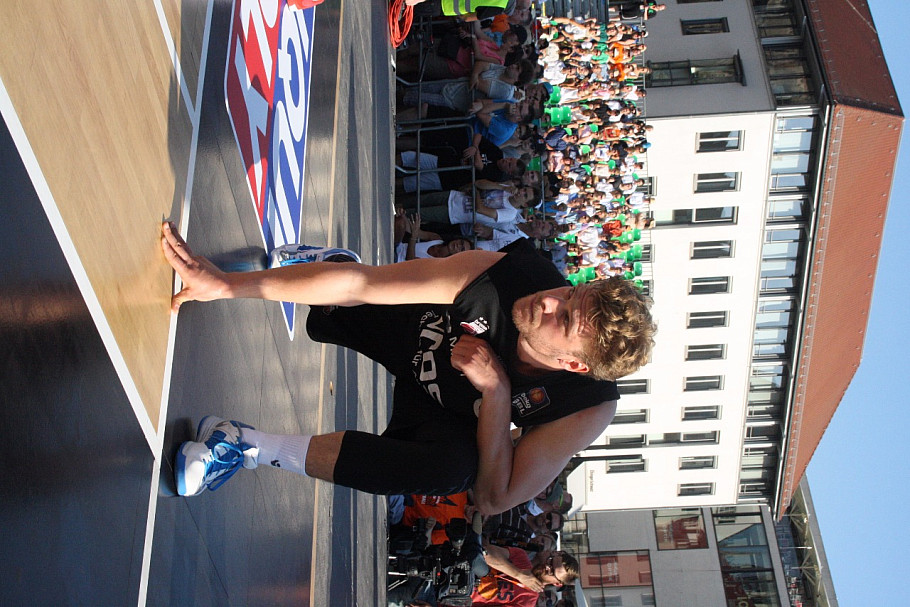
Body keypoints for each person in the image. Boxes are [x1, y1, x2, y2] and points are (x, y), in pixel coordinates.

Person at [160, 221, 654, 514]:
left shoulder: (585, 409)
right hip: (418, 330)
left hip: (455, 410)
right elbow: (360, 286)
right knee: (345, 293)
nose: (548, 300)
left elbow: (493, 497)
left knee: (453, 470)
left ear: (573, 363)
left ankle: (242, 444)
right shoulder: (505, 276)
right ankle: (332, 263)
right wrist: (224, 285)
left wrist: (497, 393)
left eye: (563, 319)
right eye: (570, 292)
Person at [473, 546, 578, 606]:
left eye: (552, 571)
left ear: (557, 583)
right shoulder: (521, 556)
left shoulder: (528, 600)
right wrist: (518, 574)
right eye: (550, 561)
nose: (547, 567)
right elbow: (484, 552)